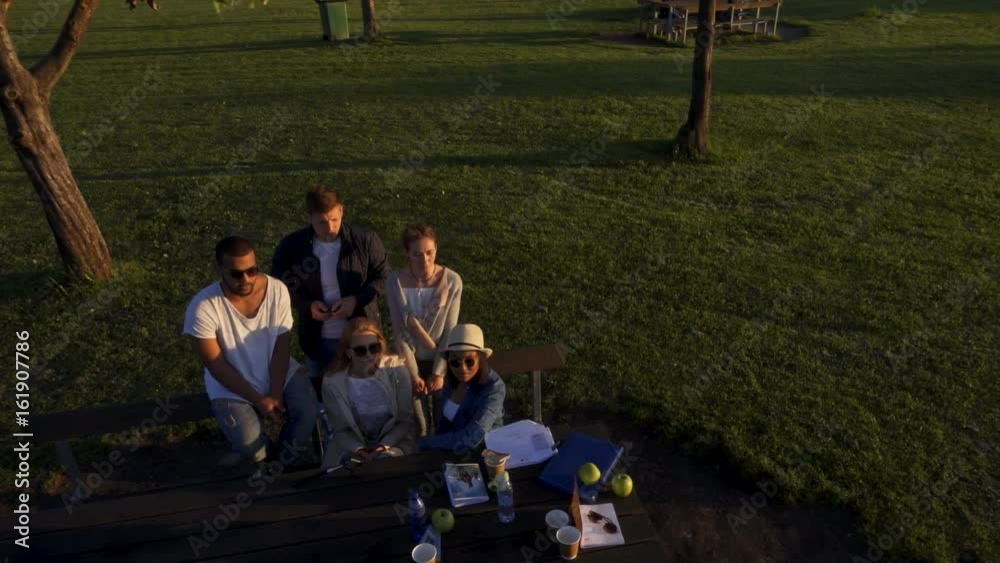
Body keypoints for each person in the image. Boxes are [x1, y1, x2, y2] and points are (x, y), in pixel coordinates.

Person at [183, 236, 318, 466]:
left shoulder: (277, 290)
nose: (245, 279)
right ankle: (268, 458)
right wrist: (257, 399)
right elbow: (216, 365)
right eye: (236, 274)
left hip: (278, 368)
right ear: (219, 271)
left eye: (252, 270)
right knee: (252, 448)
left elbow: (281, 346)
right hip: (230, 385)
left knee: (307, 412)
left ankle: (283, 460)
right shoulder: (202, 306)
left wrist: (275, 393)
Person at [271, 186, 389, 396]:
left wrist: (355, 300)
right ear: (309, 217)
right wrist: (307, 305)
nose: (330, 227)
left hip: (360, 337)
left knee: (366, 391)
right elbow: (279, 285)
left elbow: (383, 277)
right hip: (318, 338)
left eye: (334, 219)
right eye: (322, 222)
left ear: (342, 211)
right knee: (323, 393)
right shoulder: (292, 246)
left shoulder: (365, 240)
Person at [386, 224, 463, 437]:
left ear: (436, 249)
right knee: (418, 426)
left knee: (444, 422)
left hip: (442, 359)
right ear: (407, 254)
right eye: (417, 254)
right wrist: (413, 374)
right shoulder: (395, 281)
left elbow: (450, 331)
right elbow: (399, 330)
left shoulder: (452, 280)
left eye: (429, 253)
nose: (425, 260)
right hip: (410, 360)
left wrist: (439, 371)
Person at [321, 318, 416, 467]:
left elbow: (404, 422)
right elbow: (340, 430)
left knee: (387, 463)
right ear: (348, 352)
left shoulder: (397, 372)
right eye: (360, 350)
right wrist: (359, 449)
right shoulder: (333, 382)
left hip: (394, 443)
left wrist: (383, 447)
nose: (368, 355)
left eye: (374, 348)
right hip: (352, 447)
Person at [418, 324, 505, 452]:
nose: (462, 368)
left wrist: (422, 443)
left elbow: (472, 437)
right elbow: (443, 426)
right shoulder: (449, 381)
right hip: (451, 451)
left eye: (469, 361)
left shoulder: (494, 388)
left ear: (480, 359)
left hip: (487, 452)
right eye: (455, 362)